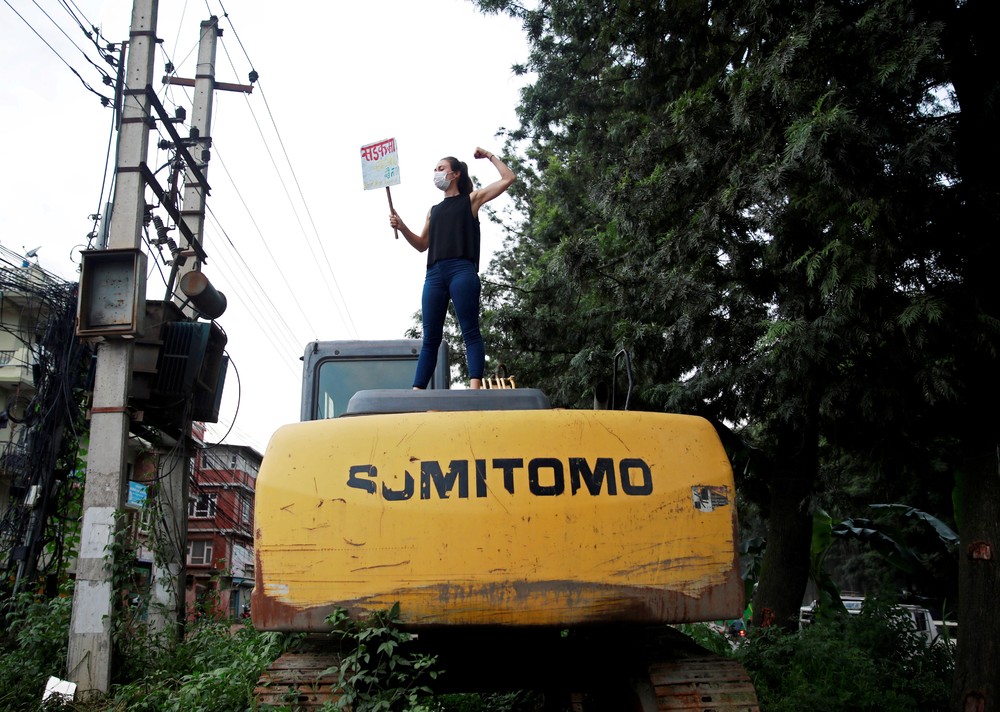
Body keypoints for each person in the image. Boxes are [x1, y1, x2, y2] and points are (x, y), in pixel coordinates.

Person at [390, 147, 515, 389]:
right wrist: (403, 226)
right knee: (430, 339)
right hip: (434, 274)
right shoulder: (432, 211)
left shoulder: (471, 200)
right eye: (434, 169)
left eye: (441, 168)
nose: (436, 173)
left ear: (455, 174)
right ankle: (417, 390)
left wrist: (489, 156)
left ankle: (475, 387)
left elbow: (508, 178)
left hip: (462, 270)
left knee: (470, 330)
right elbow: (422, 245)